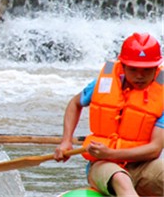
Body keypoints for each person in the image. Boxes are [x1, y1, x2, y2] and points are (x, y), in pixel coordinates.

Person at [54, 32, 164, 197]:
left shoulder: (161, 95)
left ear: (156, 68)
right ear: (123, 65)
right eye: (133, 69)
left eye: (146, 70)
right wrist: (66, 141)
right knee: (121, 179)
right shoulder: (104, 83)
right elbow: (74, 104)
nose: (140, 76)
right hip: (102, 164)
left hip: (143, 165)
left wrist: (112, 153)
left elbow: (154, 149)